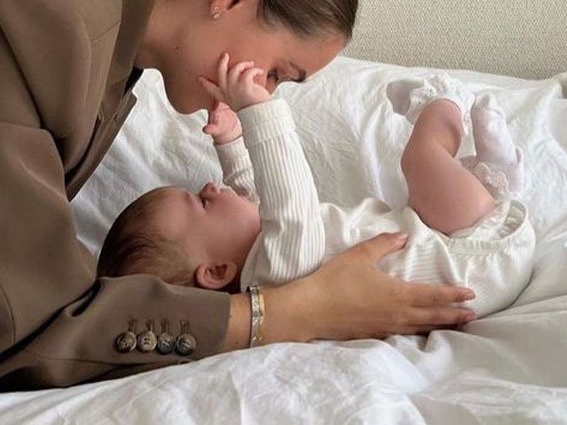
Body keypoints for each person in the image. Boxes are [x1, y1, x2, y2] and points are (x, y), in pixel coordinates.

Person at [0, 0, 476, 390]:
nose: (264, 93)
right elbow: (32, 324)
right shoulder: (45, 25)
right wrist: (290, 313)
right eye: (277, 73)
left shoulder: (99, 8)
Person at [98, 60, 535, 319]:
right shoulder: (275, 273)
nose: (211, 185)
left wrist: (230, 139)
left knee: (425, 189)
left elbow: (254, 195)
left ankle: (496, 177)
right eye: (200, 201)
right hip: (475, 256)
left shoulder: (266, 258)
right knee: (420, 160)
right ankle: (444, 101)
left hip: (452, 239)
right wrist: (258, 111)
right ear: (215, 272)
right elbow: (287, 194)